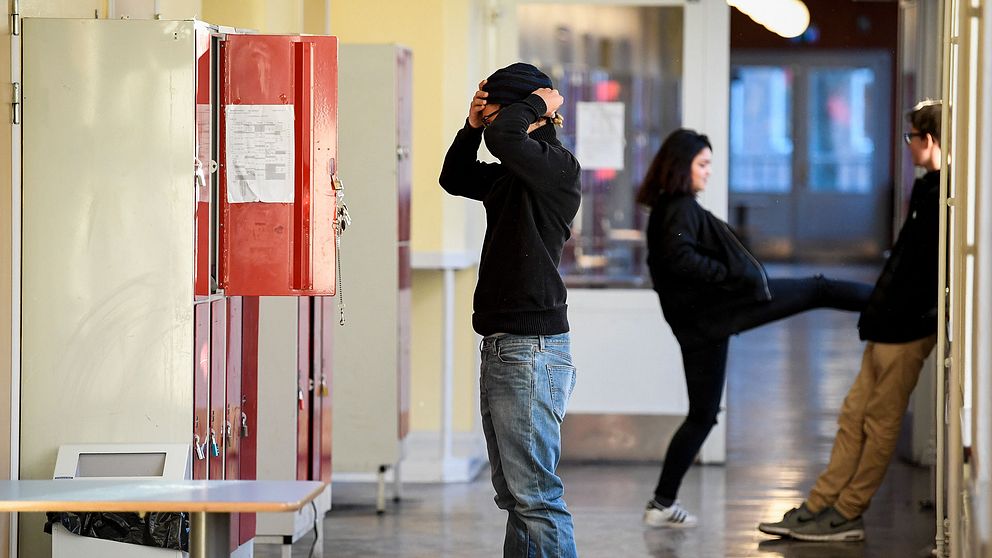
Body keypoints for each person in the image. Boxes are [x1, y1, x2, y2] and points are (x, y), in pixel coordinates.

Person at [638, 128, 874, 528]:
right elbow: (680, 260)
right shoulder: (678, 209)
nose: (708, 172)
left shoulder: (670, 207)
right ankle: (888, 302)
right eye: (702, 164)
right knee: (817, 288)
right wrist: (728, 277)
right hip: (718, 314)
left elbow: (677, 262)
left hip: (708, 319)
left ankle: (661, 503)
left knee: (702, 415)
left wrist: (723, 278)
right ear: (681, 166)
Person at [757, 99, 942, 542]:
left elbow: (922, 270)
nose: (908, 145)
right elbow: (903, 262)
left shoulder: (946, 197)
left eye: (911, 137)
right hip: (886, 323)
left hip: (909, 327)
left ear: (929, 140)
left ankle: (848, 512)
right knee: (853, 414)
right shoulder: (927, 189)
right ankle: (822, 504)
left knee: (879, 422)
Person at [439, 63, 581, 558]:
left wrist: (536, 104)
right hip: (506, 348)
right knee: (516, 497)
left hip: (530, 350)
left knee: (536, 498)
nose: (494, 119)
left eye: (501, 109)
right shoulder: (512, 178)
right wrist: (469, 127)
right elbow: (454, 177)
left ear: (531, 112)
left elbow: (505, 137)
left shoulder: (556, 169)